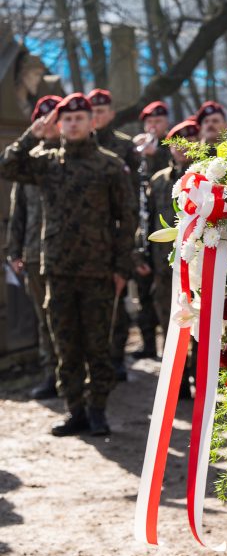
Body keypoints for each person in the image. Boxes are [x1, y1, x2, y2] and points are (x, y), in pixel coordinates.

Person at [0, 93, 136, 436]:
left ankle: (98, 410)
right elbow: (7, 166)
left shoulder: (109, 165)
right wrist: (34, 132)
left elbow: (127, 219)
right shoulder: (46, 162)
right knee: (65, 345)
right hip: (57, 270)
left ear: (92, 122)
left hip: (99, 271)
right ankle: (75, 410)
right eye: (67, 119)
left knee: (97, 345)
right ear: (59, 123)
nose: (73, 124)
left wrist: (122, 268)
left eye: (80, 118)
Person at [5, 95, 61, 399]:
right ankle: (51, 374)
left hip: (70, 257)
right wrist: (14, 253)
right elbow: (18, 214)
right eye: (44, 119)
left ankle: (80, 378)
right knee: (44, 320)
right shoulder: (28, 165)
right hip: (34, 254)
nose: (50, 125)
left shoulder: (74, 157)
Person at [88, 88, 140, 380]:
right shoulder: (78, 144)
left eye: (102, 110)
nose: (97, 116)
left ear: (110, 113)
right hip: (86, 234)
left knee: (117, 299)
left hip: (116, 231)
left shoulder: (124, 146)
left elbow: (132, 193)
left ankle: (117, 357)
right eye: (92, 111)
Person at [147, 116, 198, 398]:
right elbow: (148, 219)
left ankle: (197, 378)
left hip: (199, 266)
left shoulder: (208, 177)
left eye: (191, 140)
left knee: (198, 326)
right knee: (169, 322)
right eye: (178, 142)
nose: (184, 147)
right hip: (165, 266)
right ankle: (177, 385)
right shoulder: (158, 182)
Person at [132, 101, 171, 359]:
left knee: (163, 295)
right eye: (149, 121)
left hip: (164, 231)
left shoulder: (171, 147)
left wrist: (153, 156)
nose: (153, 126)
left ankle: (169, 348)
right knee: (143, 292)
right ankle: (148, 344)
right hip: (142, 228)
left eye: (158, 121)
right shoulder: (138, 149)